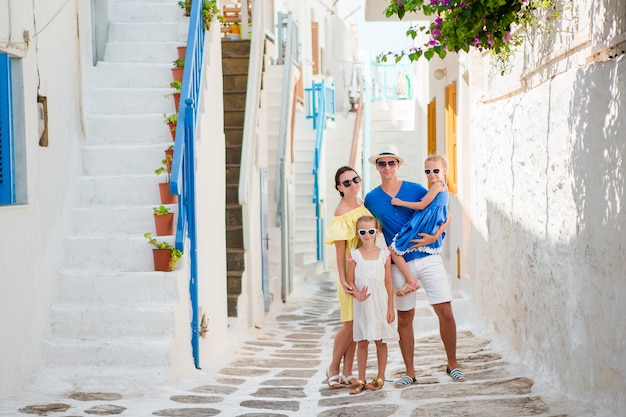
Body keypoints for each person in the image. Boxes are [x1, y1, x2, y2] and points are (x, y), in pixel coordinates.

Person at [364, 145, 466, 385]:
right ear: (377, 167)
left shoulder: (418, 189)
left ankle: (452, 364)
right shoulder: (371, 199)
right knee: (406, 317)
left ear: (398, 165)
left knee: (446, 311)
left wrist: (435, 236)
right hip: (399, 265)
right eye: (382, 163)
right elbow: (367, 227)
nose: (387, 167)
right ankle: (410, 372)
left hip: (428, 256)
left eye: (391, 163)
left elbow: (445, 214)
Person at [324, 166, 372, 389]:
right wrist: (344, 280)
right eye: (346, 183)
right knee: (349, 324)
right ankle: (333, 367)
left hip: (364, 270)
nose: (353, 184)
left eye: (355, 179)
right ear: (339, 188)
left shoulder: (361, 204)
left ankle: (347, 372)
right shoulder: (341, 213)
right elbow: (340, 251)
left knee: (358, 324)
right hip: (350, 272)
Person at [346, 215, 399, 395]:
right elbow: (349, 280)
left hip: (380, 302)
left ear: (377, 231)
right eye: (363, 232)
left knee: (380, 340)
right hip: (362, 303)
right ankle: (361, 378)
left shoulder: (384, 255)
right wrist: (357, 294)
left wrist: (391, 307)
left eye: (370, 231)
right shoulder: (354, 254)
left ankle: (380, 377)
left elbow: (389, 283)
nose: (367, 235)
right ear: (357, 233)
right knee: (362, 341)